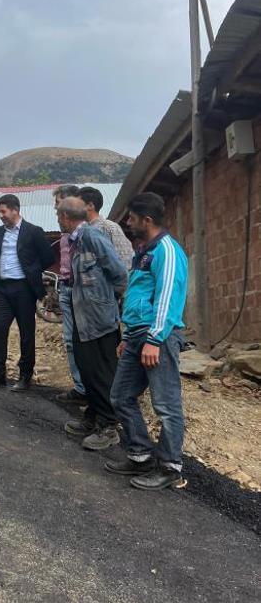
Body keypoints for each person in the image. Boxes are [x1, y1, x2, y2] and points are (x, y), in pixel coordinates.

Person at [104, 192, 189, 490]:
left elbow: (168, 297)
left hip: (159, 337)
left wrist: (154, 338)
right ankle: (140, 454)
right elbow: (139, 296)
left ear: (147, 220)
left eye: (132, 218)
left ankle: (169, 466)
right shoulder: (144, 251)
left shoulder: (167, 250)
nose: (128, 223)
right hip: (138, 336)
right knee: (121, 396)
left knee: (165, 403)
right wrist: (130, 337)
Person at [57, 198, 128, 451]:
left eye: (58, 214)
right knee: (87, 369)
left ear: (66, 216)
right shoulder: (76, 240)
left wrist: (107, 301)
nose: (57, 218)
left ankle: (109, 427)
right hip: (82, 316)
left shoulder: (92, 237)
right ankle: (94, 416)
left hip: (100, 319)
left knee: (101, 372)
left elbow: (119, 273)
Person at [0, 194, 55, 391]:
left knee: (26, 333)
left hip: (24, 289)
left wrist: (32, 269)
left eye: (3, 211)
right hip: (3, 289)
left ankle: (25, 377)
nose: (0, 215)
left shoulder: (33, 232)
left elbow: (48, 256)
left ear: (15, 210)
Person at [52, 185, 85, 404]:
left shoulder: (91, 232)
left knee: (86, 341)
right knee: (70, 341)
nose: (55, 208)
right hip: (65, 288)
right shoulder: (65, 236)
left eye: (58, 203)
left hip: (83, 292)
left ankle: (95, 391)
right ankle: (81, 388)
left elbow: (117, 268)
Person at [78, 186, 134, 269]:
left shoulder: (109, 228)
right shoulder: (82, 231)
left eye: (77, 204)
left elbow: (125, 260)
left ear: (90, 205)